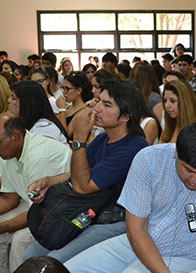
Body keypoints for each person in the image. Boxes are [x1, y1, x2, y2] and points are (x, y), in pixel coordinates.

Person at [64, 121, 196, 273]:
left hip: (186, 258)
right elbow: (136, 230)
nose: (195, 179)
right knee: (69, 269)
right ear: (176, 152)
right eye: (188, 170)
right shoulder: (149, 159)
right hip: (135, 242)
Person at [23, 79, 148, 264]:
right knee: (30, 255)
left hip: (115, 220)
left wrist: (80, 139)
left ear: (125, 116)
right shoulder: (102, 139)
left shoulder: (133, 147)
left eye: (107, 105)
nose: (97, 108)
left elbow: (83, 186)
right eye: (98, 101)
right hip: (90, 211)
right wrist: (48, 181)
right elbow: (78, 174)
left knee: (55, 261)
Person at [0, 114, 72, 273]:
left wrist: (4, 226)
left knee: (20, 241)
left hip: (59, 210)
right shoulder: (7, 152)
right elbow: (9, 198)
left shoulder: (39, 156)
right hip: (33, 204)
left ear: (16, 137)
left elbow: (37, 214)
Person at [60, 71, 93, 139]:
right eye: (62, 88)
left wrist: (62, 109)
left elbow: (67, 134)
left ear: (79, 90)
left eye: (67, 89)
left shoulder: (84, 111)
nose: (63, 92)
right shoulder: (68, 107)